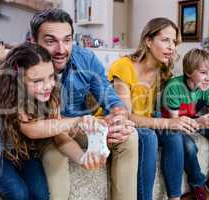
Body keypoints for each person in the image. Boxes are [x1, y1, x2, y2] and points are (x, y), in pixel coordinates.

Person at [107, 18, 209, 200]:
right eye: (165, 40)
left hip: (149, 119)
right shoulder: (124, 66)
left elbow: (185, 84)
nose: (171, 47)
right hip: (125, 122)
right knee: (150, 137)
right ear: (148, 41)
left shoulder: (162, 68)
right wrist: (170, 122)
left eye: (174, 41)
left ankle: (174, 197)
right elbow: (126, 116)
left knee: (174, 135)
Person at [30, 9, 138, 200]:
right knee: (54, 154)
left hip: (78, 126)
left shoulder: (85, 59)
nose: (61, 49)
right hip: (45, 133)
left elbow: (110, 97)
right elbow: (44, 126)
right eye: (50, 41)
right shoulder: (25, 67)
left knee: (129, 136)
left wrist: (119, 117)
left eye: (67, 39)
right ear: (33, 41)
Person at [0, 43, 106, 200]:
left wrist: (82, 158)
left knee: (41, 195)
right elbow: (31, 129)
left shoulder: (51, 94)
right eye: (37, 81)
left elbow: (59, 135)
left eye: (51, 76)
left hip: (23, 153)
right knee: (18, 194)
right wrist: (77, 120)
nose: (48, 86)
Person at [162, 48, 209, 200]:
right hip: (174, 127)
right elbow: (177, 123)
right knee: (188, 146)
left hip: (194, 121)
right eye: (203, 73)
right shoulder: (175, 87)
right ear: (188, 72)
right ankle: (197, 183)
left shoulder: (206, 88)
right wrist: (199, 123)